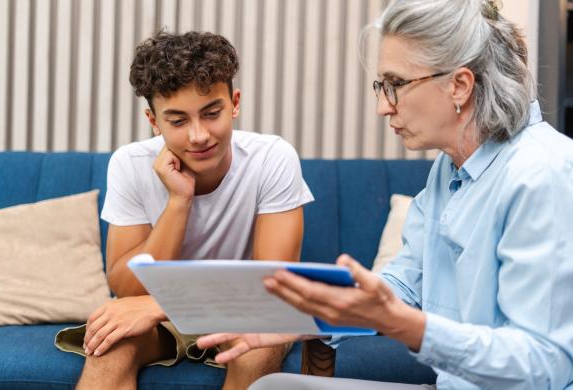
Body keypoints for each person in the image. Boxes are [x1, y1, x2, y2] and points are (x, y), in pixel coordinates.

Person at [197, 0, 573, 389]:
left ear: (459, 85)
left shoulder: (543, 174)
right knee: (274, 386)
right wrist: (299, 315)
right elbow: (404, 284)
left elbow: (543, 364)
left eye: (395, 85)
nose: (382, 107)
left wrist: (410, 328)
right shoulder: (450, 169)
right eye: (381, 86)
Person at [66, 31, 314, 390]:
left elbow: (274, 286)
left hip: (245, 311)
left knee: (259, 344)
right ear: (154, 120)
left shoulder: (272, 157)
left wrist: (158, 304)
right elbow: (126, 288)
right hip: (160, 318)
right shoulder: (130, 163)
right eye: (178, 121)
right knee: (111, 344)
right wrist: (179, 202)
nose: (199, 136)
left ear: (235, 103)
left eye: (212, 113)